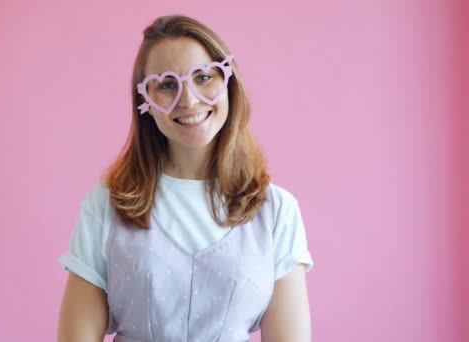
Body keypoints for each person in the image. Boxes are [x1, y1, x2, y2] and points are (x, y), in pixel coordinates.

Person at [57, 14, 314, 342]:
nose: (189, 100)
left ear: (228, 83)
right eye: (166, 85)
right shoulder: (106, 203)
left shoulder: (277, 212)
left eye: (204, 77)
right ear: (145, 102)